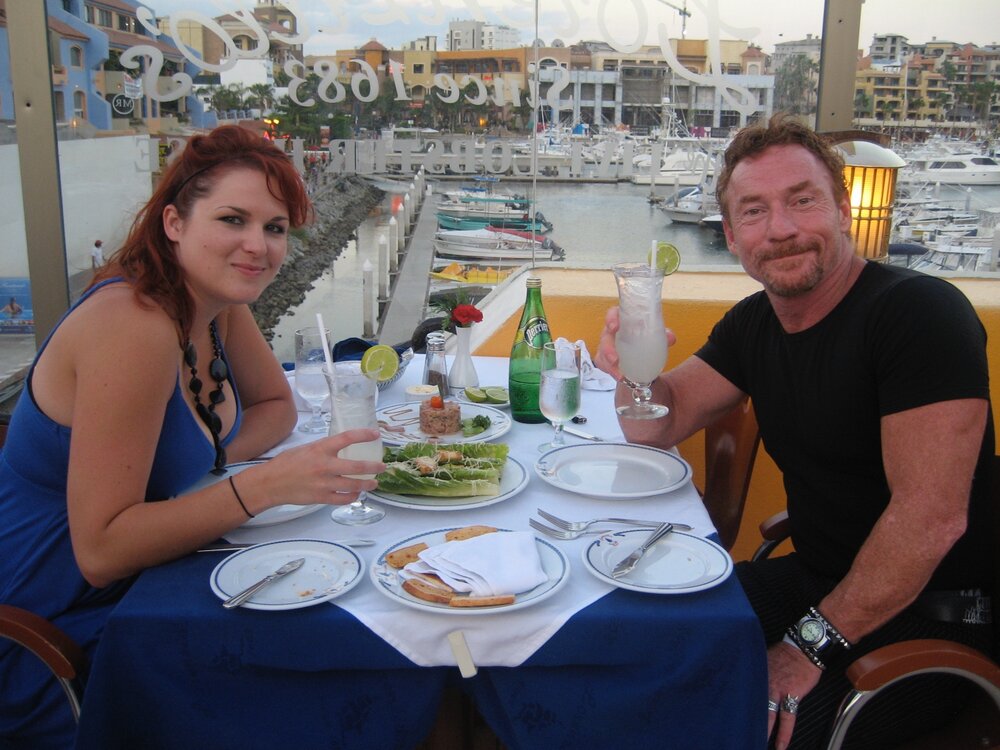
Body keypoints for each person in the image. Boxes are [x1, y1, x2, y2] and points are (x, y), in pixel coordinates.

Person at [596, 114, 994, 750]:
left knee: (730, 725)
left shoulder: (920, 316)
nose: (780, 229)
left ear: (842, 208)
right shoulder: (756, 322)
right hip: (817, 581)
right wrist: (630, 371)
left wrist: (807, 644)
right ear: (731, 235)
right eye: (754, 211)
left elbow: (931, 520)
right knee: (627, 630)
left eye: (801, 201)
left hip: (934, 618)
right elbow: (660, 424)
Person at [0, 125, 385, 749]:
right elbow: (97, 552)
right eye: (232, 219)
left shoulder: (212, 305)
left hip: (148, 578)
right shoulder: (132, 326)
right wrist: (260, 486)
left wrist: (201, 464)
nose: (256, 246)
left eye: (275, 227)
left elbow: (274, 408)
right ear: (174, 222)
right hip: (58, 634)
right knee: (329, 675)